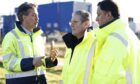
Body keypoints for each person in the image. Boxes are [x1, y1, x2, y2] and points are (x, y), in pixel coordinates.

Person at [2, 2, 58, 84]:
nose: (37, 18)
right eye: (33, 15)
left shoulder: (38, 37)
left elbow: (40, 62)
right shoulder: (11, 37)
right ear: (23, 17)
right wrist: (31, 62)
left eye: (37, 15)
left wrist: (50, 59)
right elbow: (8, 62)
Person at [87, 0, 140, 84]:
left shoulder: (115, 39)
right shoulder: (130, 35)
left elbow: (105, 78)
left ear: (108, 15)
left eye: (99, 14)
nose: (96, 19)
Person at [60, 10, 96, 84]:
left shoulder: (95, 43)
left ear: (86, 24)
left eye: (75, 22)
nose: (71, 25)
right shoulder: (70, 45)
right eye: (71, 22)